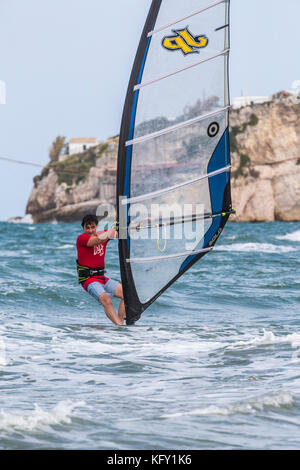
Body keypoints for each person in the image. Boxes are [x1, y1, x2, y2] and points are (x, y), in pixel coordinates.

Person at [76, 214, 125, 326]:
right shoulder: (82, 238)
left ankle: (121, 324)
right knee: (106, 300)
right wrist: (112, 228)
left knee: (127, 294)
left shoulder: (103, 234)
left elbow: (120, 233)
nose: (90, 230)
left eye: (92, 227)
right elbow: (98, 240)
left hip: (102, 278)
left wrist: (140, 224)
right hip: (89, 279)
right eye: (87, 228)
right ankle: (120, 327)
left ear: (96, 227)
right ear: (83, 228)